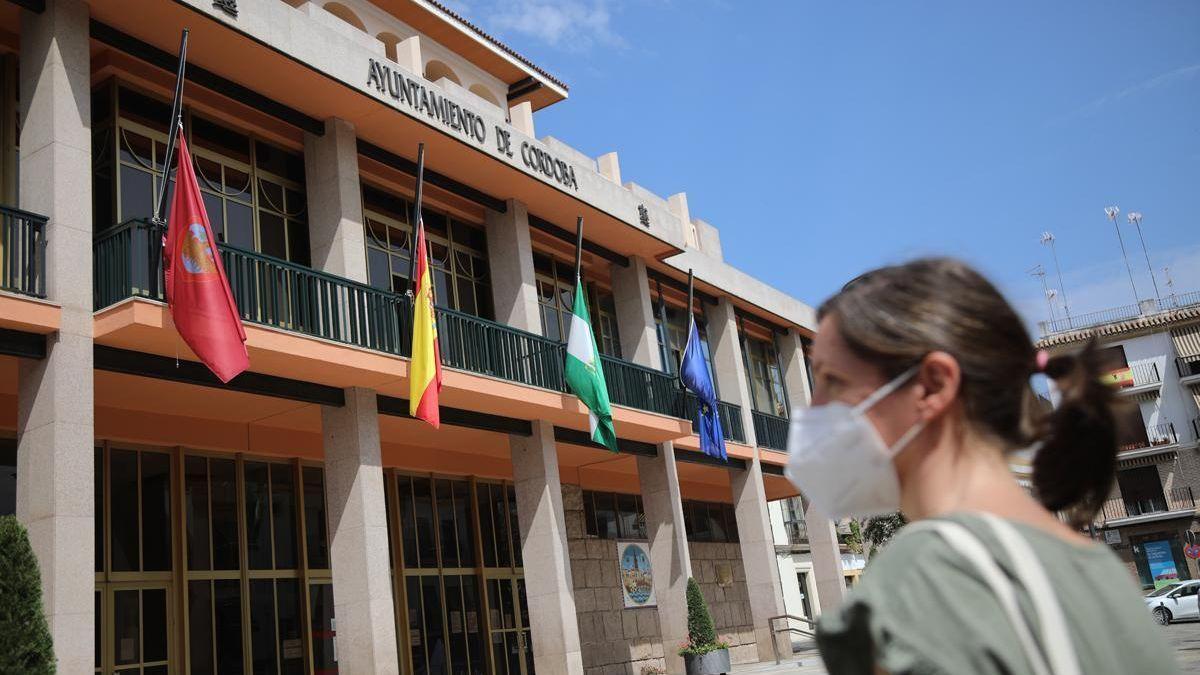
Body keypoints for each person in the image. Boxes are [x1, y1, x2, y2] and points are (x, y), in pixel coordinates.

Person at [785, 257, 1177, 674]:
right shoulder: (1107, 578)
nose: (813, 409)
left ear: (933, 385)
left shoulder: (918, 582)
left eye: (832, 381)